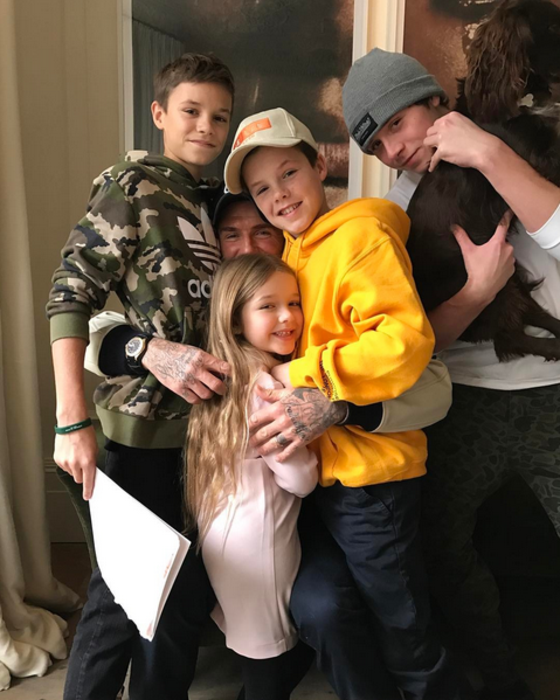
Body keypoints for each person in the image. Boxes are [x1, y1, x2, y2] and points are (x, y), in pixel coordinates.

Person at [224, 107, 468, 700]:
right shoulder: (294, 254)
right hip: (327, 479)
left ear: (320, 165)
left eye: (288, 173)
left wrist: (301, 374)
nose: (279, 195)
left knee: (403, 626)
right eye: (262, 189)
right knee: (357, 612)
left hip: (372, 479)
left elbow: (403, 343)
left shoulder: (359, 237)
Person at [342, 47, 560, 700]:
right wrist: (476, 290)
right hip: (462, 400)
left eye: (396, 126)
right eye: (376, 146)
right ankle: (499, 680)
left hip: (553, 391)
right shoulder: (398, 211)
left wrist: (489, 155)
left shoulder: (524, 144)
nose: (393, 151)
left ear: (434, 100)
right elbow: (413, 344)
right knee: (437, 545)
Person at [46, 52, 235, 700]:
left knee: (177, 603)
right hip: (140, 434)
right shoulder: (132, 185)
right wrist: (72, 421)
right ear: (159, 113)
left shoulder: (209, 203)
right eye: (191, 111)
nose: (206, 126)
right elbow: (70, 294)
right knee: (120, 600)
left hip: (202, 437)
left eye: (219, 116)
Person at [187, 253, 317, 700]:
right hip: (261, 542)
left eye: (294, 302)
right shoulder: (265, 387)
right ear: (236, 320)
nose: (288, 316)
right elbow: (299, 480)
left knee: (250, 640)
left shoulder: (224, 376)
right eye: (268, 306)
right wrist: (314, 460)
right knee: (269, 654)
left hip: (221, 534)